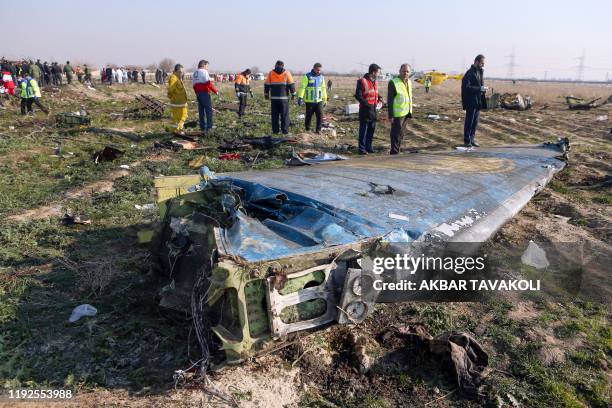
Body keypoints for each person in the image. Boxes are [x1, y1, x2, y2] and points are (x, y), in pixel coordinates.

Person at [354, 63, 383, 154]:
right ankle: (362, 149)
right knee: (364, 130)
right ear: (373, 72)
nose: (379, 74)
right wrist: (366, 104)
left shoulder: (375, 82)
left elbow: (374, 92)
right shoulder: (362, 81)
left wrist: (379, 97)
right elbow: (358, 95)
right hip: (365, 110)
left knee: (371, 129)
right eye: (378, 72)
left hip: (373, 109)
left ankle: (369, 147)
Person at [461, 54, 488, 147]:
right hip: (471, 101)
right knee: (469, 121)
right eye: (482, 63)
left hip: (478, 101)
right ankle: (467, 140)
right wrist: (479, 88)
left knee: (475, 122)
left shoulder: (480, 72)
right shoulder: (469, 73)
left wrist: (483, 89)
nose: (483, 65)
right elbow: (466, 87)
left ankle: (472, 139)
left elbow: (479, 86)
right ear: (476, 61)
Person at [387, 64, 413, 154]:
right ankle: (394, 152)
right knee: (395, 134)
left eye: (407, 71)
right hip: (397, 114)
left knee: (401, 134)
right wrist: (391, 115)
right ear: (399, 71)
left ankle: (397, 150)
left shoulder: (409, 82)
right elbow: (389, 100)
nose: (405, 73)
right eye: (404, 71)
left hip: (406, 112)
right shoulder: (393, 82)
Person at [264, 60, 295, 135]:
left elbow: (267, 85)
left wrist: (266, 95)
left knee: (275, 116)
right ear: (283, 66)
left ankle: (275, 131)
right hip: (284, 99)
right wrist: (293, 94)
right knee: (284, 115)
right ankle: (285, 131)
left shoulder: (271, 73)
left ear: (275, 65)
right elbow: (291, 85)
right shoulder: (287, 73)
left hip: (274, 99)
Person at [297, 62, 328, 133]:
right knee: (309, 116)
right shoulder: (307, 76)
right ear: (314, 68)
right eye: (317, 70)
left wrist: (325, 99)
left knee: (320, 116)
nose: (319, 71)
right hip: (309, 101)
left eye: (320, 70)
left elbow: (323, 89)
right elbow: (303, 87)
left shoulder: (321, 77)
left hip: (319, 101)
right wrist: (300, 97)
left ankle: (318, 130)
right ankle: (307, 129)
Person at [192, 59, 219, 133]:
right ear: (204, 65)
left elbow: (194, 85)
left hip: (198, 93)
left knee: (201, 110)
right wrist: (215, 90)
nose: (208, 68)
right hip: (204, 92)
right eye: (207, 66)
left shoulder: (194, 73)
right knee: (208, 110)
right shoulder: (204, 71)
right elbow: (208, 83)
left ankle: (202, 127)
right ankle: (209, 127)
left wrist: (197, 93)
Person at [167, 64, 188, 135]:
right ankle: (179, 130)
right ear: (177, 71)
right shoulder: (174, 78)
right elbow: (170, 89)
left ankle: (175, 130)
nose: (182, 73)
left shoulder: (177, 77)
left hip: (180, 102)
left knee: (177, 118)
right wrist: (172, 97)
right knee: (183, 116)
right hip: (178, 103)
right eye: (181, 71)